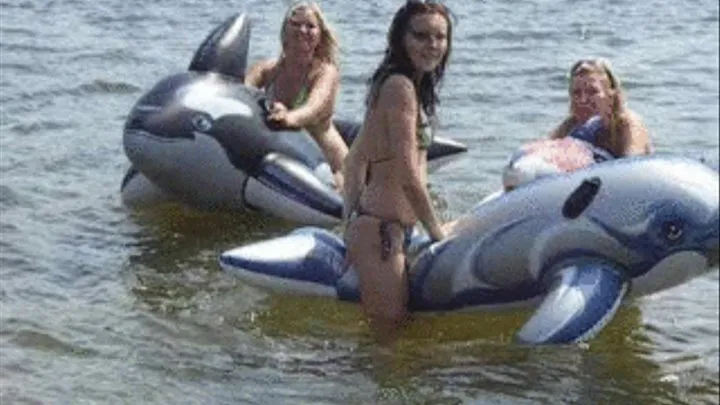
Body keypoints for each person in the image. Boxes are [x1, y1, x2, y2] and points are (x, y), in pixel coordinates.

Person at [342, 0, 453, 344]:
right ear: (401, 39)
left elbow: (354, 159)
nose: (432, 45)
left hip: (385, 230)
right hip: (381, 235)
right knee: (389, 342)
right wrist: (437, 233)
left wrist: (348, 221)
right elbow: (408, 175)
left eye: (440, 37)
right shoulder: (399, 88)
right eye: (421, 35)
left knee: (398, 339)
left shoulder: (401, 86)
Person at [244, 1, 348, 189]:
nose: (303, 30)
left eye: (311, 26)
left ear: (320, 35)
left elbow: (312, 109)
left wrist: (287, 117)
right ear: (284, 30)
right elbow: (240, 91)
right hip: (290, 163)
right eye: (296, 23)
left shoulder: (325, 73)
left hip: (331, 169)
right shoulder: (268, 70)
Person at [548, 58, 652, 157]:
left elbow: (633, 165)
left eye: (592, 92)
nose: (583, 100)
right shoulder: (569, 127)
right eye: (576, 93)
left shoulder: (628, 124)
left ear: (611, 96)